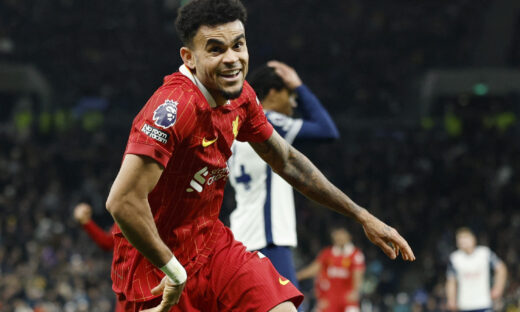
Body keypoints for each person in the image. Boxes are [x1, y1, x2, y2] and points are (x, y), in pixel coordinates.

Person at [105, 0, 415, 311]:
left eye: (238, 45)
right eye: (215, 49)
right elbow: (123, 201)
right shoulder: (174, 107)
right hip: (154, 263)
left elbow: (288, 161)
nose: (232, 59)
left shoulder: (242, 96)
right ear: (189, 57)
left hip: (211, 244)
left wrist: (362, 216)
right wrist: (173, 268)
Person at [228, 60, 339, 289]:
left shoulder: (234, 125)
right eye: (290, 95)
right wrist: (299, 85)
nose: (293, 103)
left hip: (240, 238)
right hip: (268, 239)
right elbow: (327, 131)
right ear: (273, 93)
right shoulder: (268, 122)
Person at [297, 227, 365, 312]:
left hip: (347, 297)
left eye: (342, 234)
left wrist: (355, 291)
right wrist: (297, 276)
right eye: (337, 234)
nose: (339, 237)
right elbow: (315, 268)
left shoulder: (355, 254)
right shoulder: (327, 253)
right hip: (329, 298)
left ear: (349, 236)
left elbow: (358, 273)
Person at [446, 227, 507, 312]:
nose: (463, 242)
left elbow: (501, 268)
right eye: (460, 239)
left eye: (465, 238)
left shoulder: (484, 253)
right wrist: (451, 299)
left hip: (484, 303)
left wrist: (498, 288)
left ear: (473, 239)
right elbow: (451, 280)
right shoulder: (455, 258)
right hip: (465, 305)